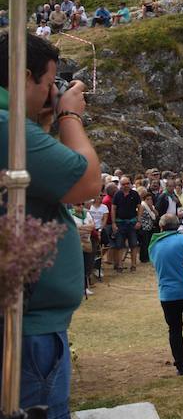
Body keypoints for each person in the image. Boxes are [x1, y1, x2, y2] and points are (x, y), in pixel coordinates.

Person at [0, 33, 101, 417]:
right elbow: (85, 185)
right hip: (29, 329)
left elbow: (35, 188)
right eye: (48, 84)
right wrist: (70, 117)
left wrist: (41, 127)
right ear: (25, 77)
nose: (50, 95)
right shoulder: (6, 125)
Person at [149, 213, 183, 375]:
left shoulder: (154, 245)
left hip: (167, 294)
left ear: (161, 227)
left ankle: (181, 365)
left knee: (174, 330)